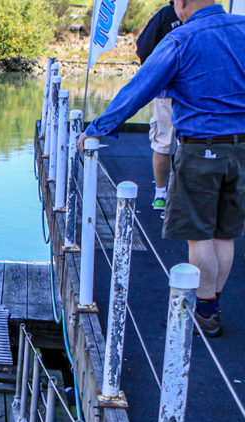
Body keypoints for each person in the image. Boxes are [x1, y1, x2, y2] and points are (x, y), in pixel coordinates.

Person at [80, 0, 245, 337]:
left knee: (199, 234)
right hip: (241, 150)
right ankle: (210, 307)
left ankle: (204, 313)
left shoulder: (181, 39)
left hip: (202, 150)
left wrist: (96, 129)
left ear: (182, 4)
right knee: (224, 233)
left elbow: (138, 90)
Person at [135, 1, 183, 210]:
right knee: (168, 143)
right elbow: (144, 49)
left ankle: (166, 194)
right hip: (172, 93)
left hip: (185, 95)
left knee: (172, 144)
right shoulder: (166, 15)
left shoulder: (168, 14)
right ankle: (163, 194)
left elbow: (143, 49)